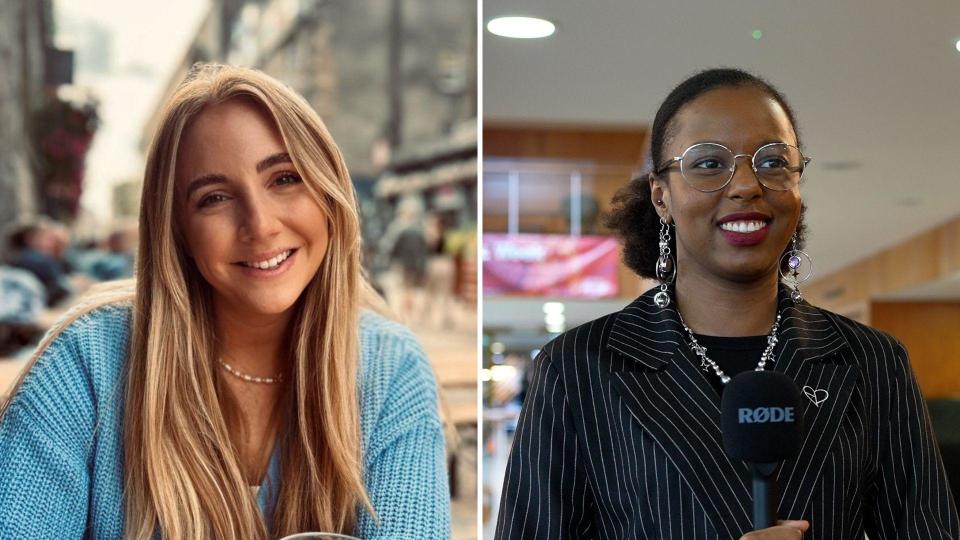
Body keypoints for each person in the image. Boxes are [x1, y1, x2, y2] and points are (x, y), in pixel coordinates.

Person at [495, 68, 960, 539]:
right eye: (708, 163)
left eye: (774, 161)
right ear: (661, 196)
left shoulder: (872, 363)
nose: (746, 185)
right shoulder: (579, 368)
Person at [0, 64, 449, 539]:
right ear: (178, 231)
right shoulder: (85, 364)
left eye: (284, 178)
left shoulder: (390, 366)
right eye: (214, 197)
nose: (260, 224)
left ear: (328, 191)